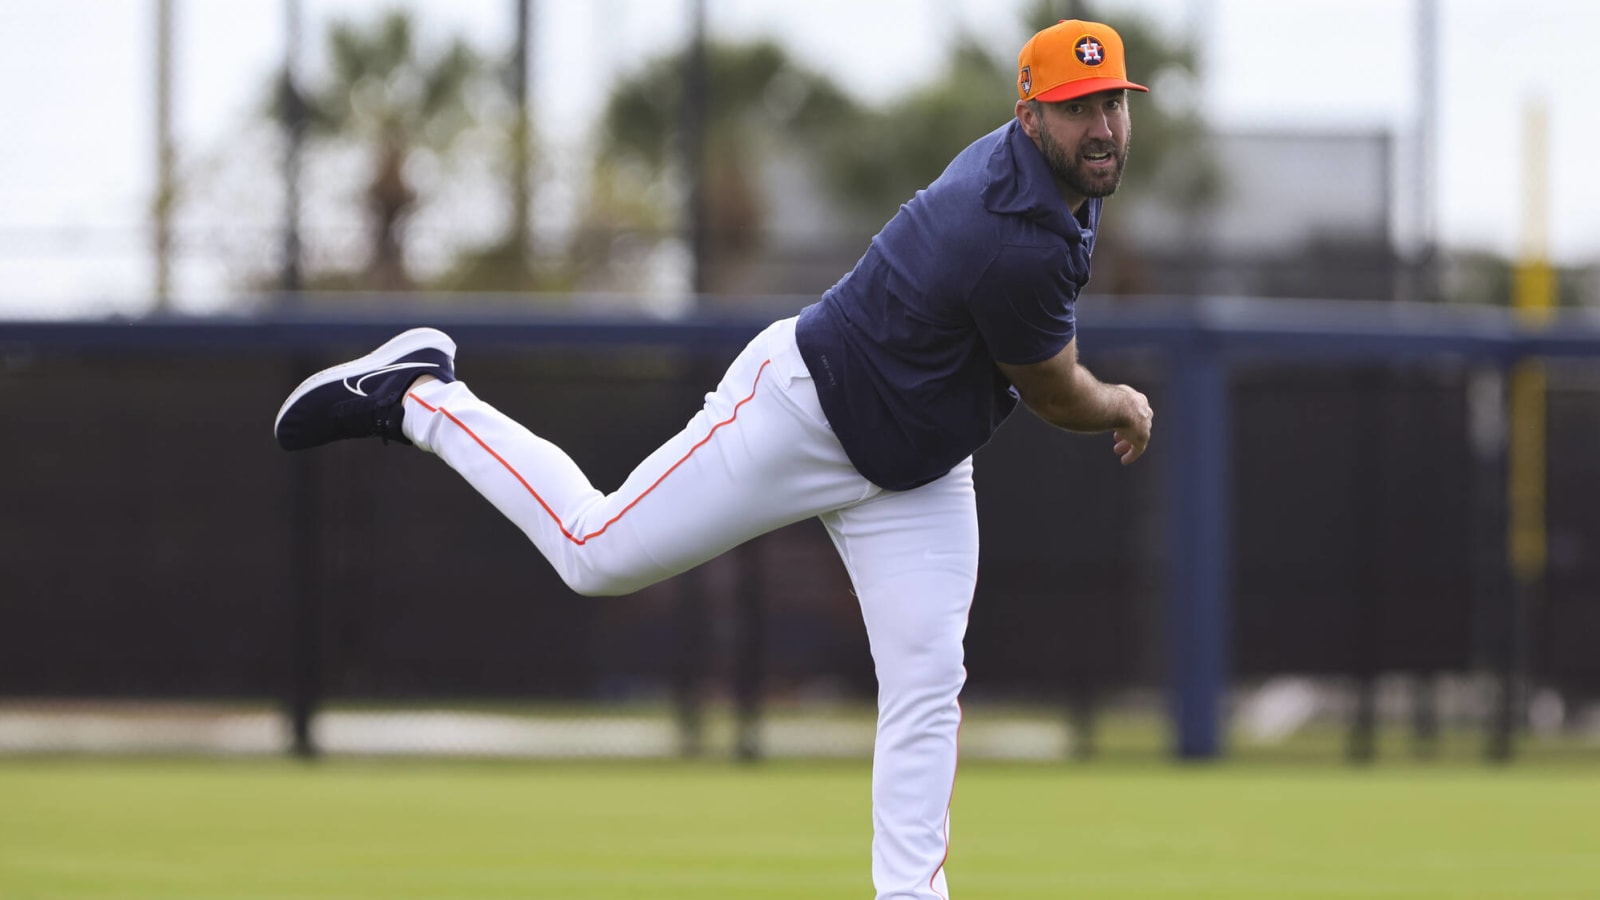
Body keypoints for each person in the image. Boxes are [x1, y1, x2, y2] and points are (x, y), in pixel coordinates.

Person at [274, 18, 1153, 900]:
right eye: (1078, 107)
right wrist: (1120, 402)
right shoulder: (1011, 234)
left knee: (926, 681)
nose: (1104, 125)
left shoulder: (1060, 180)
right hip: (804, 412)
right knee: (595, 554)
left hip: (917, 467)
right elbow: (1052, 392)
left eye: (1112, 100)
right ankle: (421, 398)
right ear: (1029, 113)